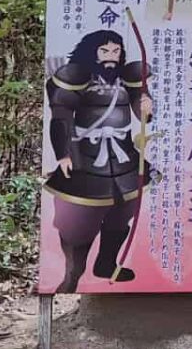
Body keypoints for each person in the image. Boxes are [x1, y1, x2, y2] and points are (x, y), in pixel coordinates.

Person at [44, 28, 154, 290]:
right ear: (91, 51)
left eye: (116, 51)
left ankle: (106, 262)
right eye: (104, 51)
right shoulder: (75, 76)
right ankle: (73, 271)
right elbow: (61, 117)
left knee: (123, 211)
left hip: (123, 156)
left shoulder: (127, 79)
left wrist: (147, 106)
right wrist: (63, 154)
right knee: (78, 220)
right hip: (86, 157)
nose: (111, 57)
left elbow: (143, 116)